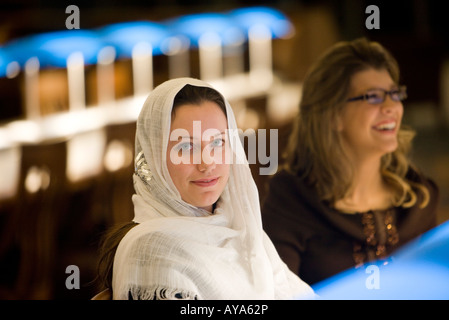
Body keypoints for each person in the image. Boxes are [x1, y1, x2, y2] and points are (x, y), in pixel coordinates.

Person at [96, 77, 314, 300]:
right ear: (154, 158)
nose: (207, 163)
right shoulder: (153, 250)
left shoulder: (240, 226)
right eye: (186, 146)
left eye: (218, 142)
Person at [261, 38, 440, 286]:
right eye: (374, 97)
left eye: (394, 93)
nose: (392, 107)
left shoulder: (418, 197)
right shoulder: (291, 201)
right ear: (333, 115)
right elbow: (275, 293)